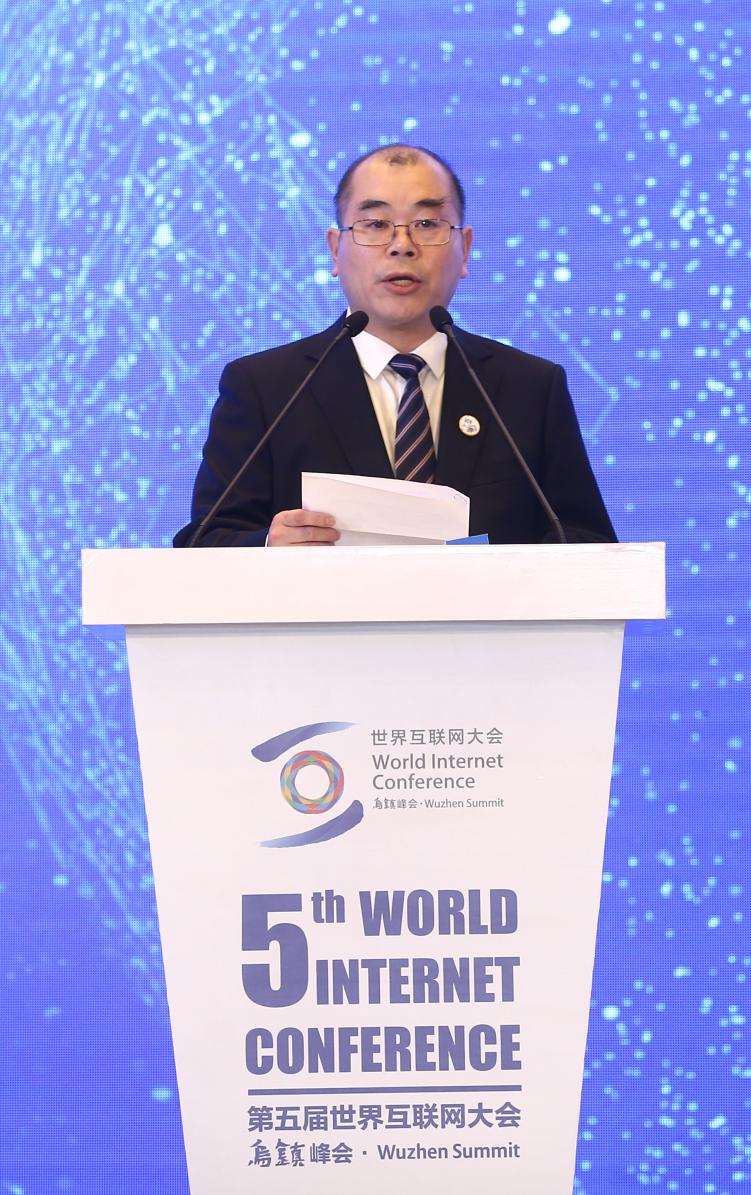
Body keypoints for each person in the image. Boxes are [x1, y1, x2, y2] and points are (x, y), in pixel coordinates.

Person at [174, 145, 616, 548]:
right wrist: (269, 547)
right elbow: (202, 543)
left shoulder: (529, 388)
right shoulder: (267, 388)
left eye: (427, 224)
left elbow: (586, 543)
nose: (402, 246)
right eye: (375, 225)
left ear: (464, 249)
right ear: (335, 250)